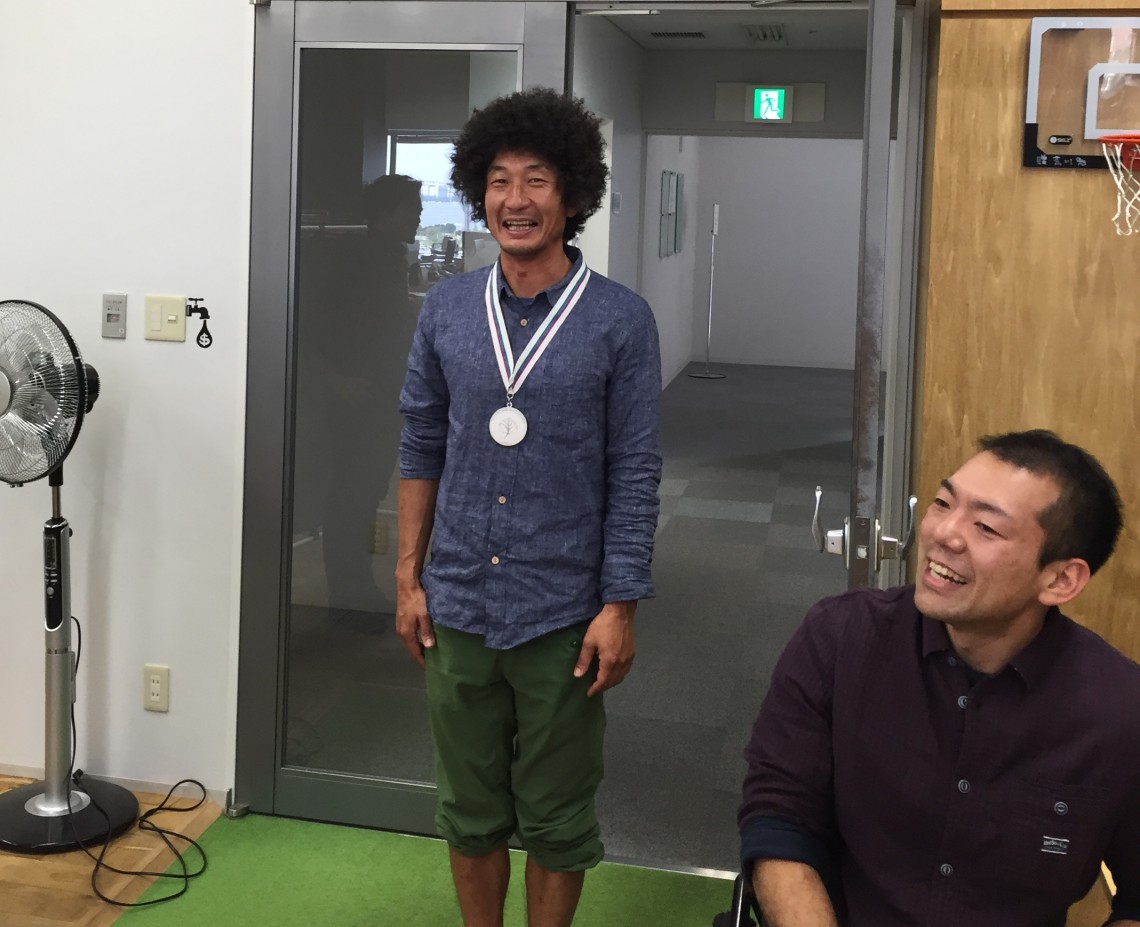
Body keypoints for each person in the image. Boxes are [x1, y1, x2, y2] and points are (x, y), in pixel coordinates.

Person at [396, 88, 662, 927]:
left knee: (556, 816)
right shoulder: (446, 310)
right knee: (468, 808)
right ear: (480, 192)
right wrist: (409, 578)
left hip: (562, 610)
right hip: (458, 602)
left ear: (572, 196)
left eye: (537, 179)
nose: (516, 199)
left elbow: (635, 469)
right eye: (500, 180)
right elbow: (420, 443)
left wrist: (619, 604)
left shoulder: (621, 320)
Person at [738, 430, 1140, 927]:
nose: (944, 533)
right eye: (943, 503)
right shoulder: (841, 636)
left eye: (986, 527)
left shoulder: (1121, 711)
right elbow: (781, 818)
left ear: (1060, 579)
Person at [294, 173, 423, 620]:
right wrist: (337, 381)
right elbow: (308, 328)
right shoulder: (355, 262)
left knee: (365, 495)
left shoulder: (388, 259)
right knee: (350, 498)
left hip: (383, 398)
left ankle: (357, 592)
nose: (419, 216)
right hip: (356, 403)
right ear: (387, 213)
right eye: (413, 209)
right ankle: (348, 598)